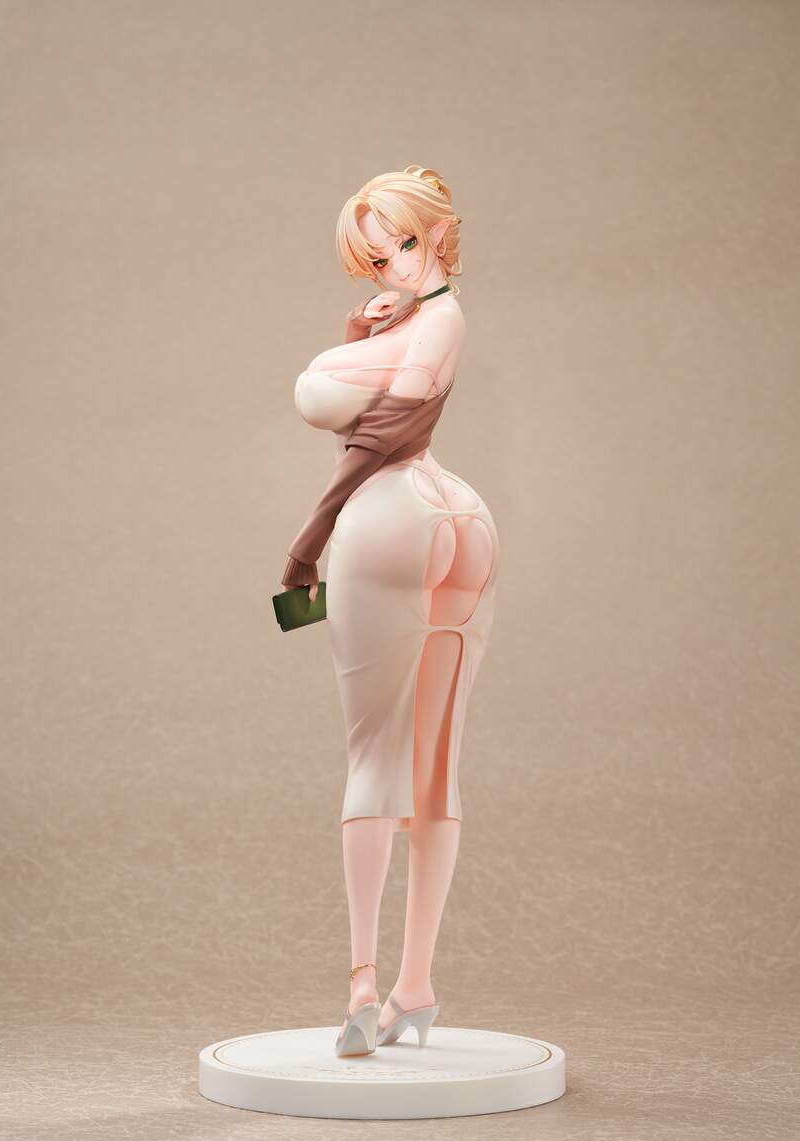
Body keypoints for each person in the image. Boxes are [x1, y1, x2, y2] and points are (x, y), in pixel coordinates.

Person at [280, 166, 500, 1056]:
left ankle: (365, 984)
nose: (395, 267)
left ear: (439, 234)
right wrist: (357, 334)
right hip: (463, 523)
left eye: (405, 244)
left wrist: (310, 537)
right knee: (437, 762)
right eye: (377, 259)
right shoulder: (423, 320)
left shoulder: (438, 321)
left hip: (392, 516)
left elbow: (382, 436)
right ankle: (418, 988)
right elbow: (380, 407)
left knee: (377, 756)